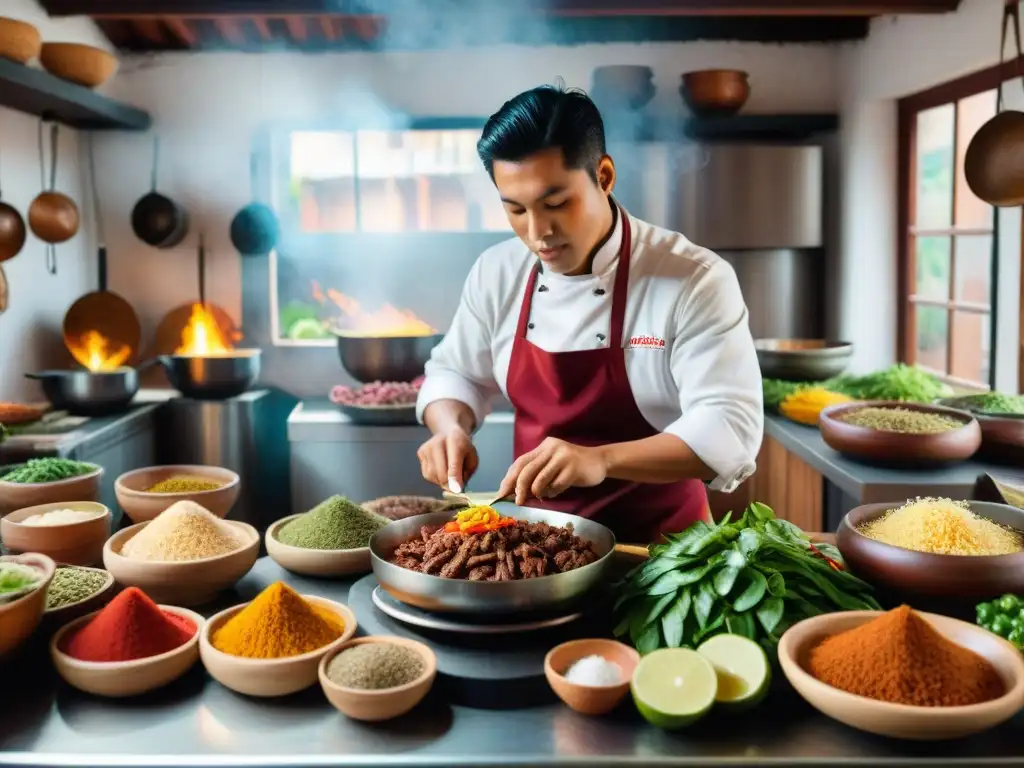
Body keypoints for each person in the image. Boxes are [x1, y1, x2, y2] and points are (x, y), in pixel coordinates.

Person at [415, 84, 763, 543]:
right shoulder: (497, 272)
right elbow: (456, 372)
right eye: (516, 209)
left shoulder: (693, 278)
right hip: (538, 549)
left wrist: (600, 459)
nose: (538, 232)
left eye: (556, 203)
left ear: (603, 175)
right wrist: (449, 428)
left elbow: (728, 426)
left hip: (664, 554)